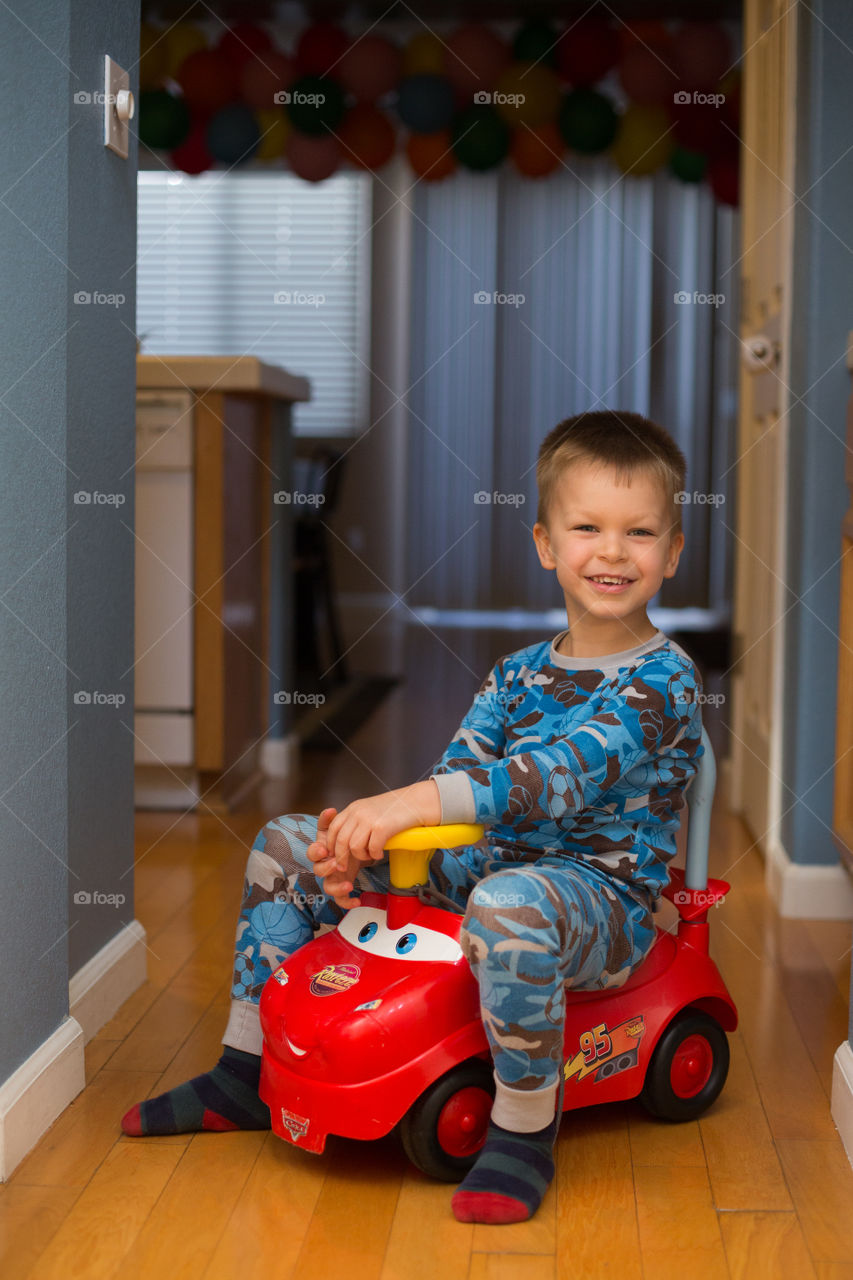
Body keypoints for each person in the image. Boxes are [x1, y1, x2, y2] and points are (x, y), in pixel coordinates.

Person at [122, 409, 704, 1225]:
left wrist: (407, 806)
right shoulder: (515, 674)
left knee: (512, 905)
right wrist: (363, 846)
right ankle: (242, 1073)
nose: (611, 551)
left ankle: (523, 1127)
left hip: (597, 899)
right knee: (290, 842)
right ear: (545, 544)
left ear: (671, 554)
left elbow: (553, 779)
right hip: (483, 865)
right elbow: (460, 776)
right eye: (587, 527)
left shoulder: (663, 681)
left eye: (639, 532)